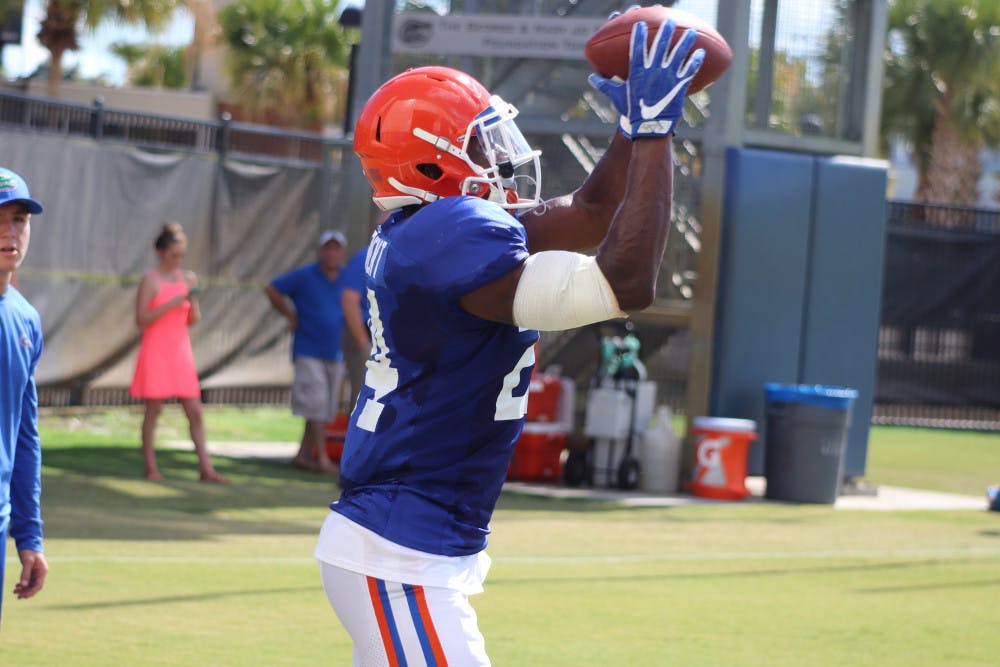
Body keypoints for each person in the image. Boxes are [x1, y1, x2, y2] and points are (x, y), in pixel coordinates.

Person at [314, 16, 704, 666]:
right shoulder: (447, 236)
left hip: (404, 546)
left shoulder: (426, 229)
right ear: (431, 161)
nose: (500, 156)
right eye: (481, 141)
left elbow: (592, 213)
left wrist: (631, 129)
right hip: (400, 554)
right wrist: (657, 134)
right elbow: (627, 281)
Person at [129, 222, 229, 484]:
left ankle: (206, 469)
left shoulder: (188, 279)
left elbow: (192, 319)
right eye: (173, 255)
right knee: (153, 411)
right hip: (156, 351)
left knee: (195, 411)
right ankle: (151, 467)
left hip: (180, 352)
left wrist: (191, 302)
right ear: (160, 252)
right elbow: (141, 319)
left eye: (181, 255)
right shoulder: (150, 279)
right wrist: (171, 303)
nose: (178, 260)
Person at [0, 167, 49, 624]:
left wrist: (29, 536)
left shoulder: (25, 320)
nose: (9, 232)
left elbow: (24, 434)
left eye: (18, 219)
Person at [265, 229, 349, 474]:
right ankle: (321, 458)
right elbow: (271, 288)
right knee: (317, 404)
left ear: (342, 253)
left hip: (335, 352)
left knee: (322, 408)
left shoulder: (348, 278)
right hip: (308, 350)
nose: (332, 253)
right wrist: (290, 315)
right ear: (320, 251)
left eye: (336, 249)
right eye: (328, 248)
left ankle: (302, 455)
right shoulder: (305, 275)